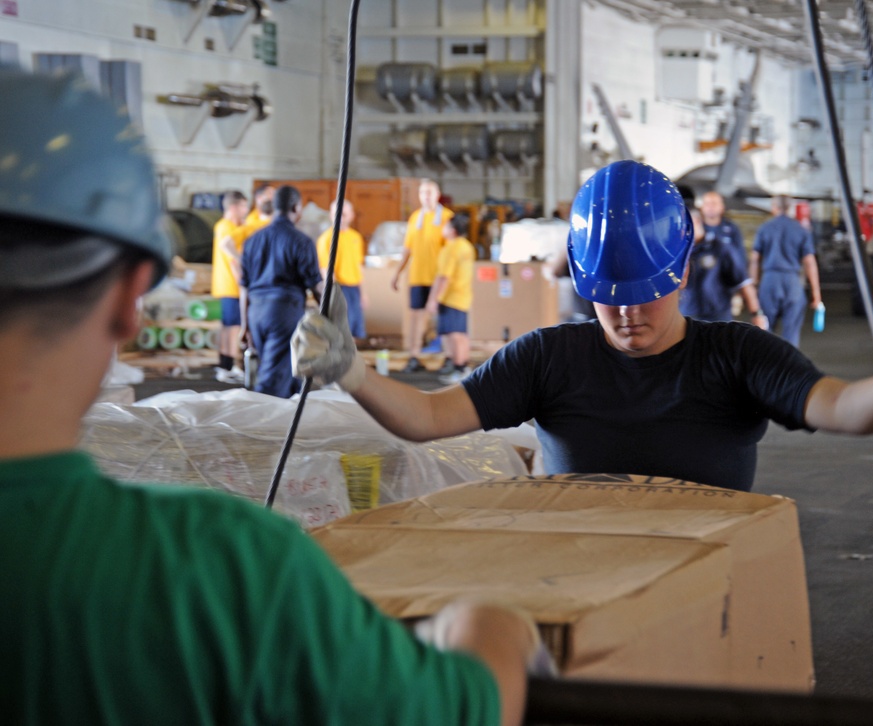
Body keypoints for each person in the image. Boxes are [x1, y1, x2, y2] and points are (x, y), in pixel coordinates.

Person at [0, 68, 537, 726]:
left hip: (260, 308)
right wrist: (492, 627)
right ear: (125, 302)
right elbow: (463, 708)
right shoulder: (221, 569)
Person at [293, 160, 873, 493]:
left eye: (643, 295)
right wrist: (350, 371)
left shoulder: (735, 356)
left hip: (708, 581)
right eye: (605, 298)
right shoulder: (546, 359)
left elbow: (842, 409)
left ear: (680, 272)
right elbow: (429, 417)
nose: (625, 315)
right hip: (576, 580)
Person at [239, 185, 324, 399]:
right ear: (296, 208)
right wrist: (330, 315)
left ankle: (287, 425)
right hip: (283, 312)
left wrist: (245, 324)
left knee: (289, 376)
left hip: (255, 312)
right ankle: (261, 428)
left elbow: (244, 286)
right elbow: (315, 285)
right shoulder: (301, 241)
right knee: (272, 384)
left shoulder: (252, 241)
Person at [392, 178, 453, 373]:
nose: (426, 197)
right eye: (422, 193)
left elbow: (454, 251)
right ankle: (414, 356)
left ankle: (449, 357)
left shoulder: (447, 217)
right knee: (416, 317)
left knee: (445, 318)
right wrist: (397, 273)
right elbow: (407, 249)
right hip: (418, 277)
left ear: (437, 195)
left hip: (439, 277)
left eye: (430, 192)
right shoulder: (415, 218)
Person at [750, 194, 822, 348]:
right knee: (791, 332)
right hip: (792, 282)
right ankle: (789, 368)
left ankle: (765, 368)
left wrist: (753, 286)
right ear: (790, 208)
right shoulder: (801, 230)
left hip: (769, 281)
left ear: (773, 208)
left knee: (764, 331)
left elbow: (755, 259)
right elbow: (810, 262)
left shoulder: (765, 228)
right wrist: (816, 294)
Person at [679, 208, 768, 329]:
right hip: (686, 318)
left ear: (698, 222)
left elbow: (743, 282)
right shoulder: (679, 252)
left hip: (718, 319)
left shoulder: (721, 248)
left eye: (686, 225)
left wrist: (756, 313)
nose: (683, 230)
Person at [427, 214, 476, 383]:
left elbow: (444, 277)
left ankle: (460, 368)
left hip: (450, 297)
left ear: (452, 231)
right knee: (460, 334)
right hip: (463, 295)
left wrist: (434, 299)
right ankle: (463, 367)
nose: (442, 229)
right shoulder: (467, 247)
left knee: (454, 335)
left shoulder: (450, 248)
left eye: (445, 226)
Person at [210, 189, 250, 384]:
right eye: (243, 206)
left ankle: (224, 365)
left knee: (228, 326)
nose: (245, 210)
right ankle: (231, 365)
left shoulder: (223, 226)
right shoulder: (227, 228)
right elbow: (232, 257)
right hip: (231, 284)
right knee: (233, 327)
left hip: (225, 284)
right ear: (233, 207)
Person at [316, 198, 367, 344]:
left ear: (352, 216)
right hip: (339, 287)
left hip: (354, 288)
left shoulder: (356, 238)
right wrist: (333, 292)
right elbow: (325, 268)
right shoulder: (326, 239)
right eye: (337, 214)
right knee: (341, 328)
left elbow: (359, 266)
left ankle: (351, 360)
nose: (340, 218)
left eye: (344, 214)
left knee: (356, 327)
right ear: (331, 216)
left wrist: (363, 293)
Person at [700, 190, 748, 269]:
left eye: (714, 204)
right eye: (707, 204)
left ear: (722, 206)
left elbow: (740, 256)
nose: (710, 207)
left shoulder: (732, 229)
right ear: (702, 207)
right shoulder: (695, 229)